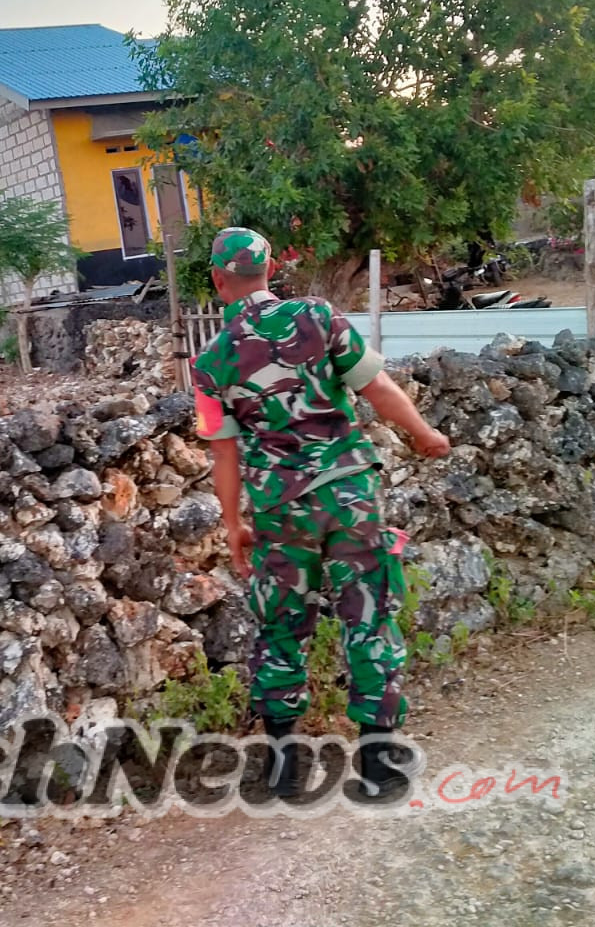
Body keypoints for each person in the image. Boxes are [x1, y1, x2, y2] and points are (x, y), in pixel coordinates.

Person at [190, 227, 451, 798]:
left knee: (281, 626)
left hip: (280, 511)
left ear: (217, 280)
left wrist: (233, 525)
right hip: (350, 496)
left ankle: (284, 767)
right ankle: (378, 764)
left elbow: (223, 454)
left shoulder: (210, 361)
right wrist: (424, 434)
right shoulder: (318, 317)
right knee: (369, 616)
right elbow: (378, 388)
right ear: (269, 270)